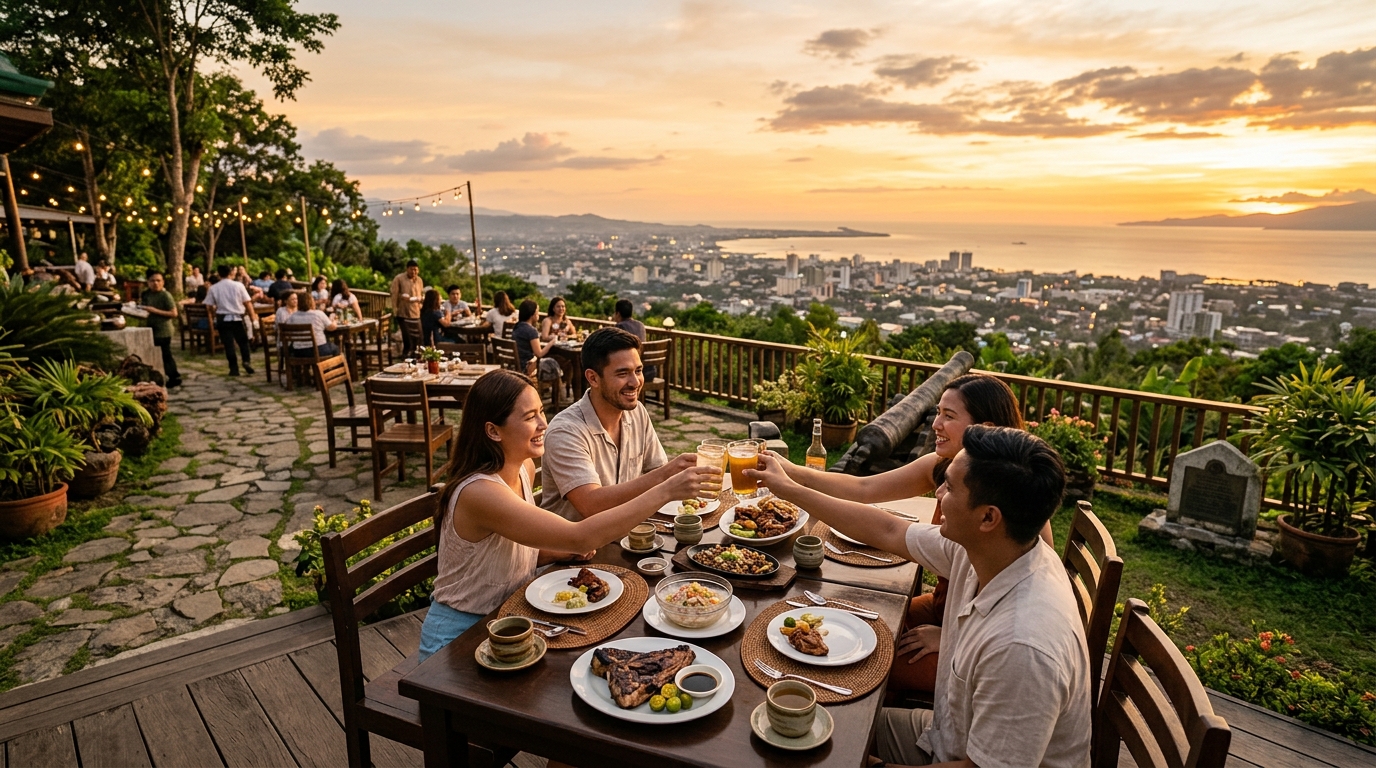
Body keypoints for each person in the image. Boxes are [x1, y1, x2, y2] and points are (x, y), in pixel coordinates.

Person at [747, 427, 1090, 767]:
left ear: (988, 517)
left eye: (950, 487)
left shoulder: (1023, 647)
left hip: (964, 758)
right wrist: (790, 490)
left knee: (800, 750)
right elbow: (888, 529)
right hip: (947, 735)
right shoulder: (991, 550)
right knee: (794, 730)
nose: (938, 493)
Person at [765, 374, 1042, 698]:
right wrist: (789, 471)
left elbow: (1023, 596)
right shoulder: (944, 465)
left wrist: (950, 637)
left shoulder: (1020, 501)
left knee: (866, 668)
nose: (936, 424)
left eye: (949, 416)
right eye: (937, 412)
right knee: (861, 616)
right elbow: (864, 489)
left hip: (978, 635)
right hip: (946, 607)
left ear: (985, 429)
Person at [418, 368, 719, 661]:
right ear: (493, 430)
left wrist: (549, 553)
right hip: (460, 636)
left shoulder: (522, 468)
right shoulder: (480, 492)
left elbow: (495, 553)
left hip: (512, 619)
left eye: (540, 412)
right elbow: (580, 536)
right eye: (528, 417)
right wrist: (666, 490)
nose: (542, 424)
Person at [541, 327, 696, 521]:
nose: (635, 382)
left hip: (627, 535)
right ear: (593, 378)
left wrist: (676, 475)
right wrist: (666, 475)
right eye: (622, 373)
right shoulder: (566, 431)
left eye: (638, 371)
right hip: (577, 547)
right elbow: (591, 505)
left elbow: (655, 470)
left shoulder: (637, 411)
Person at [203, 263, 256, 376]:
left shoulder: (214, 288)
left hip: (223, 318)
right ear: (231, 272)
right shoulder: (238, 286)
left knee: (228, 345)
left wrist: (214, 313)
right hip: (237, 318)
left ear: (219, 274)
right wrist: (253, 318)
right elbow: (247, 303)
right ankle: (246, 361)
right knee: (243, 342)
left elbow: (209, 306)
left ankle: (234, 368)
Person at [139, 270, 182, 388]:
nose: (155, 283)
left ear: (163, 282)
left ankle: (174, 376)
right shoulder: (146, 294)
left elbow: (174, 313)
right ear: (148, 282)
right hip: (149, 327)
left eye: (158, 281)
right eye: (152, 281)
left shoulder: (165, 295)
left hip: (163, 329)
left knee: (165, 354)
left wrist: (154, 310)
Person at [511, 299, 562, 386]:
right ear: (532, 314)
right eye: (537, 312)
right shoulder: (531, 331)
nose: (538, 314)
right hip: (527, 367)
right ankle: (556, 394)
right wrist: (553, 341)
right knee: (553, 363)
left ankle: (552, 390)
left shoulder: (517, 327)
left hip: (516, 364)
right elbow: (539, 353)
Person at [286, 293, 338, 358]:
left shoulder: (292, 317)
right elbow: (331, 327)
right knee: (336, 349)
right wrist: (334, 321)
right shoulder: (318, 314)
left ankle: (304, 367)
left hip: (299, 351)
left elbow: (287, 330)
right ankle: (328, 367)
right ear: (311, 302)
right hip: (319, 349)